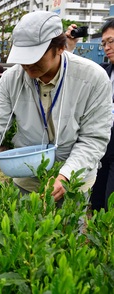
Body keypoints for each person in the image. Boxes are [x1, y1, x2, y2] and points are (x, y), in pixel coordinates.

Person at [0, 11, 112, 203]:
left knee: (69, 229)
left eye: (36, 57)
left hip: (74, 180)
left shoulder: (92, 78)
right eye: (23, 57)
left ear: (60, 48)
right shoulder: (11, 79)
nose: (28, 64)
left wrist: (66, 176)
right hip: (26, 178)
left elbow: (93, 138)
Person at [86, 19, 114, 211]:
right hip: (102, 151)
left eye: (111, 41)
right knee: (96, 206)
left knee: (109, 206)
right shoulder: (104, 71)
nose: (106, 47)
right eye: (103, 43)